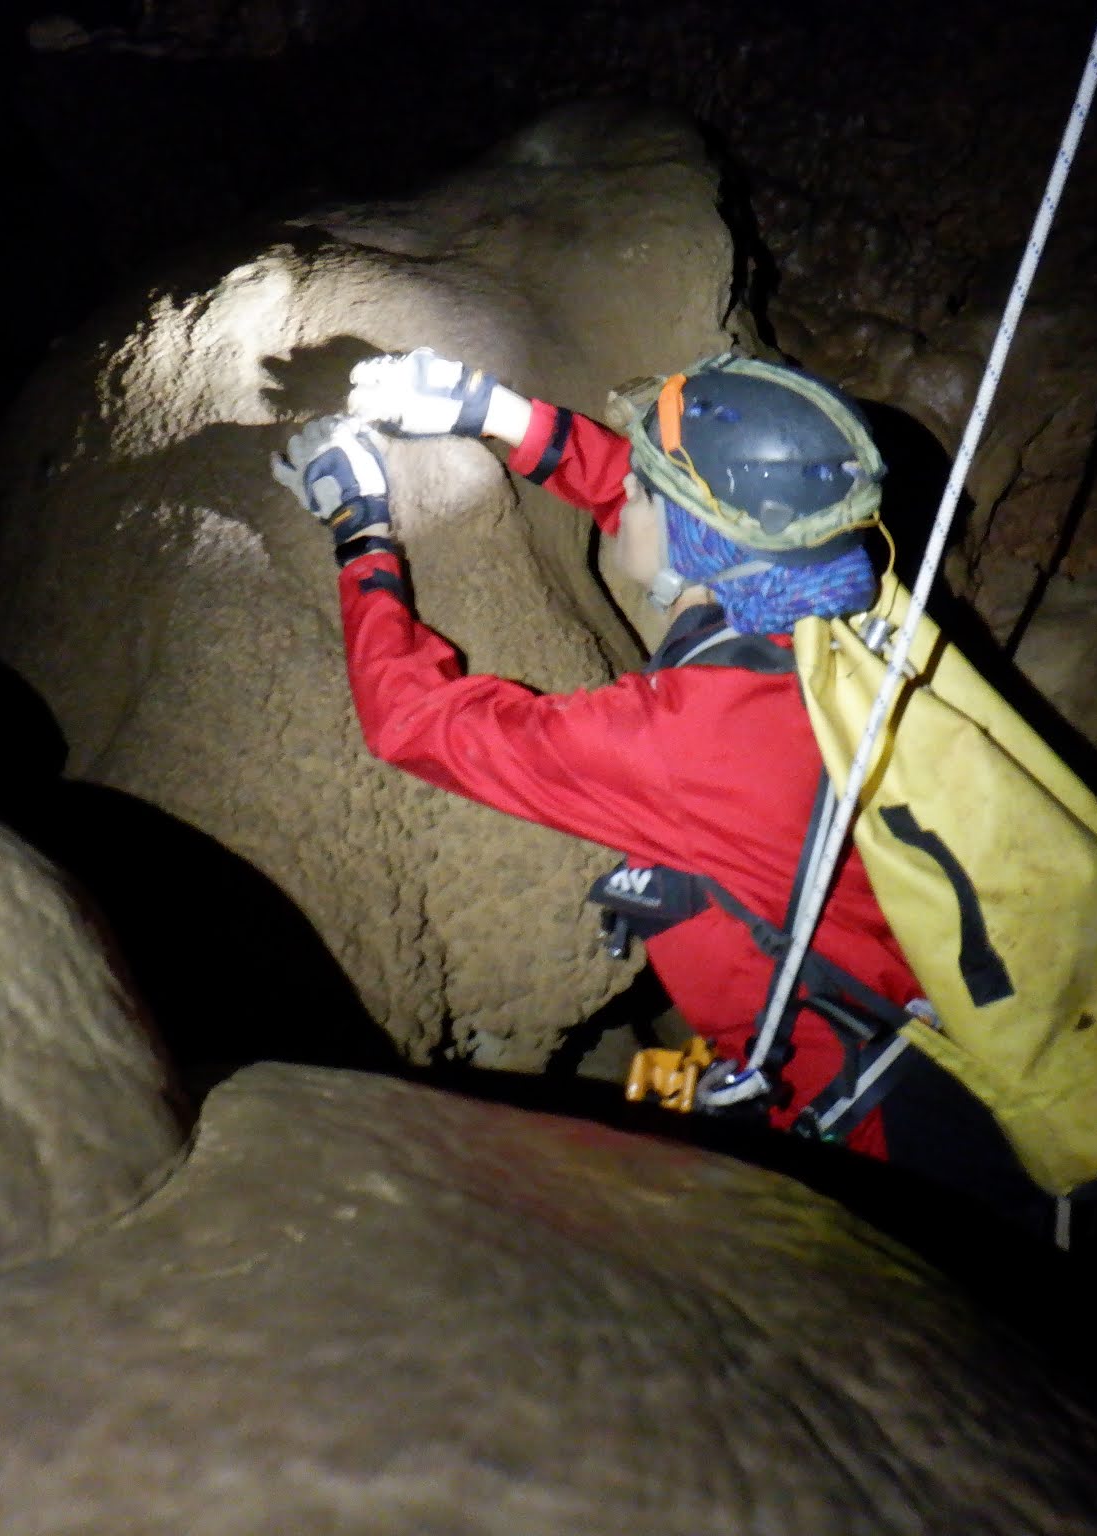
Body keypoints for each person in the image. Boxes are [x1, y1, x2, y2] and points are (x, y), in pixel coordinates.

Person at [273, 349, 1049, 1223]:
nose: (626, 494)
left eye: (647, 489)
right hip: (966, 1062)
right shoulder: (834, 604)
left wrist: (362, 534)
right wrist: (490, 411)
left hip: (880, 1159)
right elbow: (664, 511)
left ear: (692, 544)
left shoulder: (681, 742)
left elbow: (412, 722)